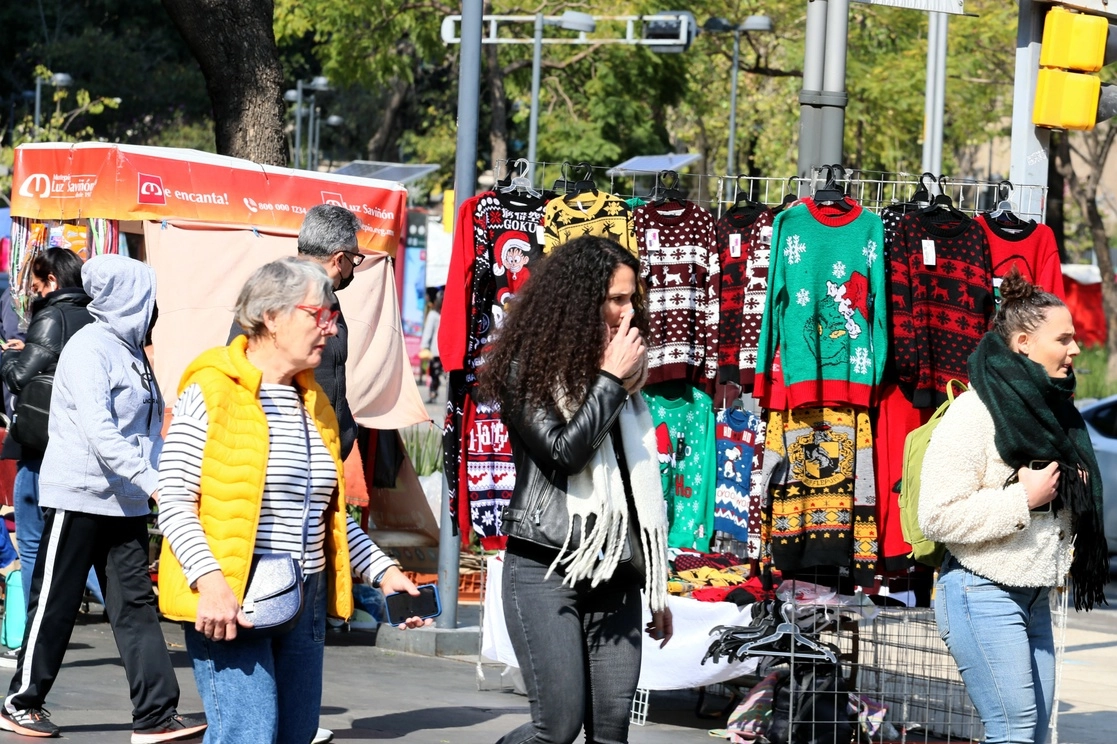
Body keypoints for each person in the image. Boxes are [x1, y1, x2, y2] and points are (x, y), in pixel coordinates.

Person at [157, 258, 429, 744]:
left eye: (331, 316)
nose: (330, 327)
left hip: (303, 600)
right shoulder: (211, 389)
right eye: (317, 314)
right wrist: (212, 584)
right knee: (249, 735)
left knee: (296, 735)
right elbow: (175, 499)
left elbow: (327, 517)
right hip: (232, 600)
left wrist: (385, 573)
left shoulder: (315, 404)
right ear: (272, 317)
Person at [1, 254, 205, 741]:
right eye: (149, 295)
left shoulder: (133, 350)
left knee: (135, 605)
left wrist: (162, 476)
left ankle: (156, 714)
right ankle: (21, 703)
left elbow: (146, 429)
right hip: (80, 495)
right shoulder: (89, 347)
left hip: (126, 500)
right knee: (55, 601)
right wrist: (152, 479)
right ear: (130, 296)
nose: (156, 306)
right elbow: (99, 430)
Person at [478, 236, 672, 744]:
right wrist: (608, 378)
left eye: (633, 299)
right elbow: (566, 454)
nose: (629, 312)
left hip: (616, 573)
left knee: (610, 734)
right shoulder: (529, 367)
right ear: (581, 301)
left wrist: (655, 586)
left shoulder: (627, 386)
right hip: (545, 565)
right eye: (616, 299)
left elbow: (634, 485)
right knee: (556, 730)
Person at [919, 267, 1108, 744]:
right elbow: (936, 514)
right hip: (981, 591)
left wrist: (1072, 492)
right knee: (1014, 731)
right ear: (1024, 342)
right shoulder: (976, 411)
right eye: (1063, 338)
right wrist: (1022, 497)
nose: (1075, 349)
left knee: (1035, 733)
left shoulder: (1054, 412)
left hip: (1033, 592)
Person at [0, 249, 103, 625]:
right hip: (86, 444)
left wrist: (10, 357)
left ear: (53, 282)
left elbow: (19, 378)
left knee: (31, 542)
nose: (34, 292)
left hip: (42, 443)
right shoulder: (97, 317)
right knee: (84, 543)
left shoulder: (51, 316)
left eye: (36, 285)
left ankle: (33, 626)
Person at [229, 204, 360, 461]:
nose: (328, 328)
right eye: (354, 259)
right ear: (339, 259)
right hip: (280, 455)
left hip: (321, 457)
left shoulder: (330, 299)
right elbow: (241, 368)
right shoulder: (275, 291)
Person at [420, 290, 442, 403]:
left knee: (437, 373)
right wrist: (425, 346)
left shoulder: (444, 314)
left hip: (443, 350)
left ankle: (435, 392)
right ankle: (433, 393)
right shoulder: (433, 315)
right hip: (435, 350)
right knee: (434, 373)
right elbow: (428, 331)